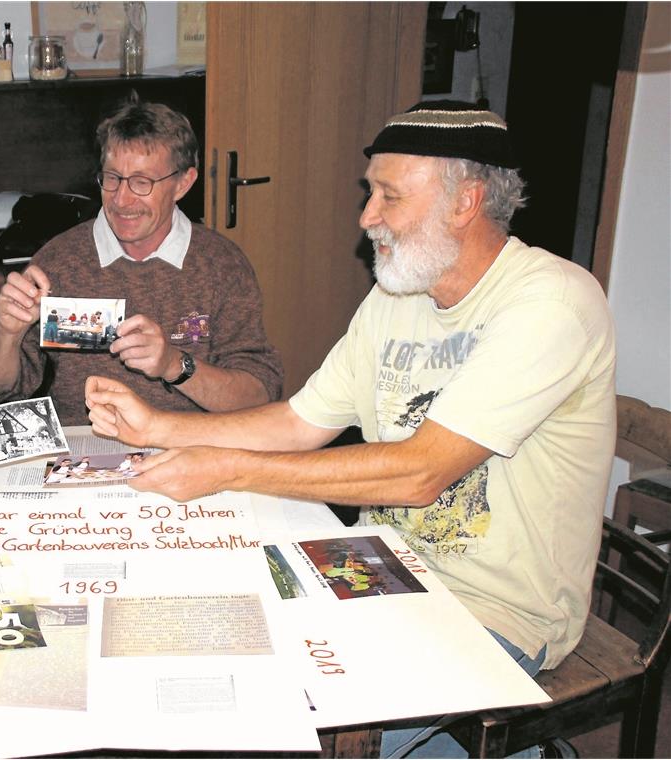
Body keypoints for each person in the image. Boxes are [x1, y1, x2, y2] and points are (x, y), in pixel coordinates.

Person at [84, 100, 616, 758]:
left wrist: (225, 468)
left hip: (492, 611)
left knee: (289, 731)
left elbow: (421, 472)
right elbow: (299, 422)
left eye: (389, 196)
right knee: (207, 651)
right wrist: (158, 426)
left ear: (466, 201)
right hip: (378, 570)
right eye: (371, 193)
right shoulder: (396, 297)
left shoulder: (553, 302)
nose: (367, 219)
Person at [0, 99, 284, 426]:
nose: (122, 200)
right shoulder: (59, 262)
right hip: (87, 453)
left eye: (142, 182)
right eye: (112, 178)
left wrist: (174, 365)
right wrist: (7, 334)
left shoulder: (220, 265)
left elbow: (259, 395)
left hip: (187, 448)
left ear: (183, 183)